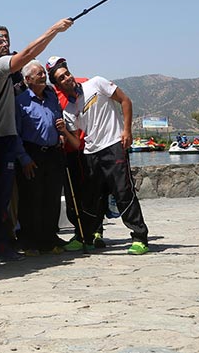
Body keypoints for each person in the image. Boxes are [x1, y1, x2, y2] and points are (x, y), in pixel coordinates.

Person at [0, 18, 73, 260]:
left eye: (6, 40)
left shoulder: (50, 96)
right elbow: (29, 53)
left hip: (28, 147)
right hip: (8, 144)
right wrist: (53, 29)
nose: (5, 44)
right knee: (17, 199)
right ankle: (9, 243)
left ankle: (44, 239)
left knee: (42, 198)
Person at [50, 57, 151, 255]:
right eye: (61, 78)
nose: (67, 78)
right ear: (58, 85)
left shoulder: (96, 83)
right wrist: (64, 132)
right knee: (91, 198)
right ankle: (88, 237)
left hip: (113, 146)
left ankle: (140, 237)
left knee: (123, 192)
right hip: (90, 153)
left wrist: (127, 131)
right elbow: (77, 143)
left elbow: (125, 101)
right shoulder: (69, 110)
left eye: (67, 73)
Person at [45, 56, 104, 250]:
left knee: (93, 192)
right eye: (58, 72)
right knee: (73, 196)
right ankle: (81, 233)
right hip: (69, 151)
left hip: (88, 147)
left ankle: (96, 231)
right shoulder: (52, 93)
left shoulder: (84, 83)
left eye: (64, 68)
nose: (65, 76)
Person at [14, 60, 67, 256]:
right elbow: (16, 133)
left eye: (44, 73)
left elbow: (57, 120)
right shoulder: (20, 102)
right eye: (39, 74)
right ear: (28, 79)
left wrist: (61, 133)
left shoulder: (52, 98)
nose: (44, 76)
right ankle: (30, 242)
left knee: (51, 198)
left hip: (52, 153)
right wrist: (24, 159)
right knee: (31, 199)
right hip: (32, 153)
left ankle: (49, 240)